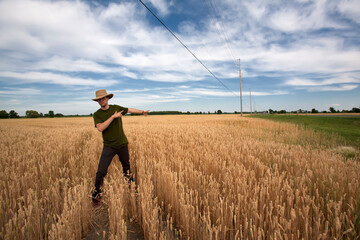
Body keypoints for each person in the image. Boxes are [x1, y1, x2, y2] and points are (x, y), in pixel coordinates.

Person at [91, 89, 149, 207]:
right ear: (98, 101)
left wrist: (142, 111)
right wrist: (113, 117)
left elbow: (130, 109)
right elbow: (100, 128)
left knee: (126, 168)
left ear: (108, 98)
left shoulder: (116, 107)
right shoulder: (97, 114)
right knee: (101, 172)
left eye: (103, 98)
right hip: (109, 146)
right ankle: (97, 194)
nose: (101, 100)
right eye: (99, 99)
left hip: (122, 144)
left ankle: (131, 187)